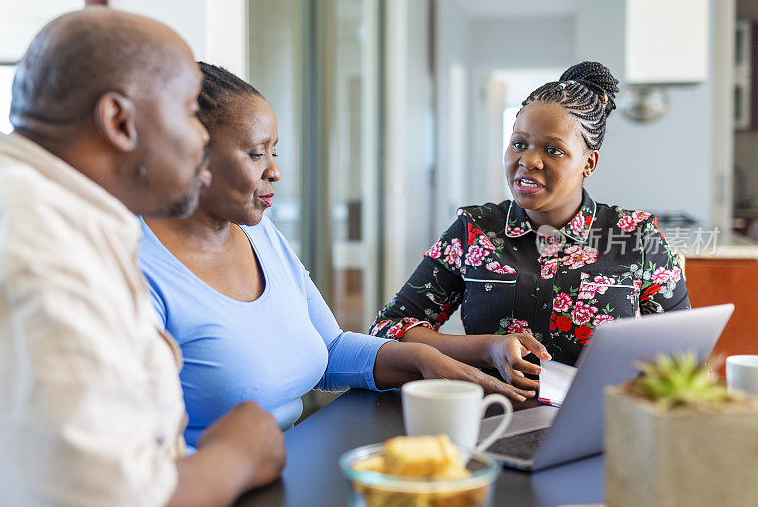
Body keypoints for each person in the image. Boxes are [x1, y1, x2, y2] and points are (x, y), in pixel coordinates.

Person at [0, 8, 284, 507]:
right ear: (119, 121)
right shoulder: (42, 251)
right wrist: (236, 455)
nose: (202, 137)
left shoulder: (14, 199)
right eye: (188, 110)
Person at [138, 63, 547, 446]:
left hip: (286, 467)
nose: (275, 171)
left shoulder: (260, 236)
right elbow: (135, 460)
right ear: (192, 151)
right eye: (255, 153)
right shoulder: (134, 269)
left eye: (273, 153)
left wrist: (425, 358)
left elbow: (329, 348)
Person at [370, 62, 690, 374]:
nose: (529, 161)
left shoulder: (636, 235)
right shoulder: (474, 231)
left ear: (589, 163)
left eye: (553, 150)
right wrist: (485, 348)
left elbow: (685, 355)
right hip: (495, 414)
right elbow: (388, 329)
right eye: (519, 144)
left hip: (603, 416)